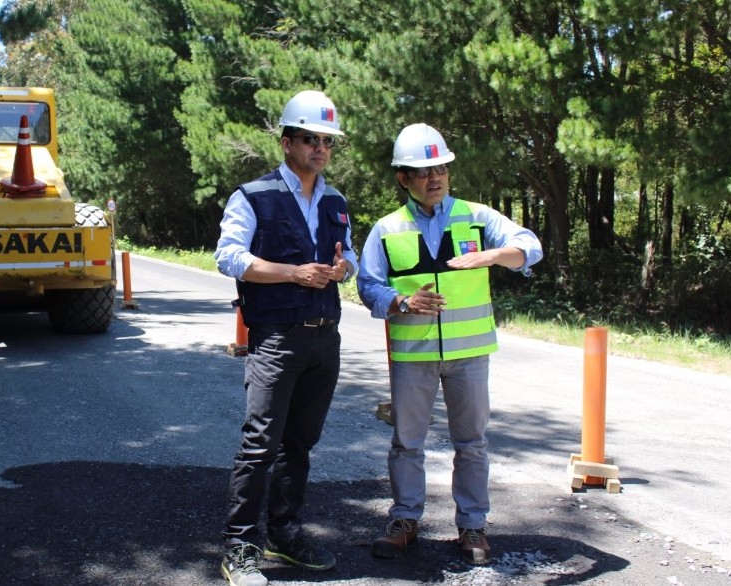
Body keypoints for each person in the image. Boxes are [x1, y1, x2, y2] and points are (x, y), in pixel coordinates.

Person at [356, 123, 543, 565]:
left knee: (472, 443)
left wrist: (495, 255)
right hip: (413, 356)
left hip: (469, 356)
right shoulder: (386, 228)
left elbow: (529, 246)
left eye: (440, 167)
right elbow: (367, 286)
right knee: (406, 443)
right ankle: (405, 520)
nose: (434, 177)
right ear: (403, 178)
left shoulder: (477, 218)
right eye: (422, 171)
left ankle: (473, 526)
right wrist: (402, 301)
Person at [214, 90, 358, 586]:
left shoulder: (335, 199)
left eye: (327, 141)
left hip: (325, 339)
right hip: (276, 337)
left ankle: (285, 533)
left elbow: (351, 258)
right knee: (260, 444)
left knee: (299, 444)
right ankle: (240, 548)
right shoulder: (252, 196)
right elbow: (230, 258)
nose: (320, 148)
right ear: (286, 142)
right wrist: (292, 274)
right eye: (310, 139)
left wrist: (343, 269)